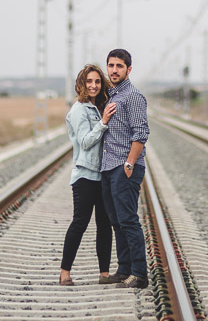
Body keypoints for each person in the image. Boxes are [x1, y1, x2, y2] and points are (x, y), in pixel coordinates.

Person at [58, 64, 116, 286]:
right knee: (80, 223)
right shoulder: (79, 110)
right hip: (85, 176)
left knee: (104, 224)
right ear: (82, 84)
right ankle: (65, 272)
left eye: (97, 81)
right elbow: (84, 142)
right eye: (89, 81)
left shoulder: (100, 106)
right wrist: (103, 124)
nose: (93, 85)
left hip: (103, 174)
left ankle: (104, 273)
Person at [99, 48, 150, 289]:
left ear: (128, 70)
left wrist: (129, 164)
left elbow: (141, 133)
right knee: (116, 220)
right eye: (111, 65)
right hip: (109, 166)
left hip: (125, 166)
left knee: (128, 220)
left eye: (119, 66)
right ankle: (124, 269)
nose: (114, 70)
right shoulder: (110, 95)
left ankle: (139, 273)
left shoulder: (133, 96)